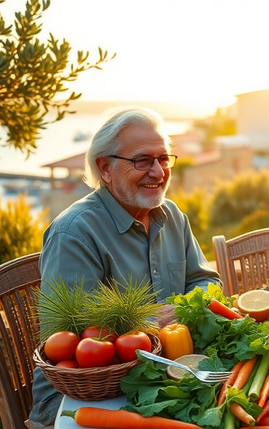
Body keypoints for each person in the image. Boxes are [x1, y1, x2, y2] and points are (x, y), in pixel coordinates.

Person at [28, 107, 222, 427]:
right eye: (143, 160)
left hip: (163, 375)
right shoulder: (74, 233)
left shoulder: (172, 216)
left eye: (163, 158)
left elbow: (206, 280)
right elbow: (72, 337)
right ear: (105, 168)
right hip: (80, 397)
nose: (158, 172)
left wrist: (179, 309)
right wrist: (148, 323)